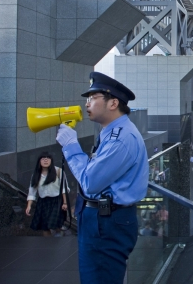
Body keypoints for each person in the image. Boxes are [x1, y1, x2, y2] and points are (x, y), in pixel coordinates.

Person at [55, 72, 148, 284]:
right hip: (102, 218)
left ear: (113, 103)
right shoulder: (111, 133)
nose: (87, 104)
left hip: (106, 222)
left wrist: (71, 146)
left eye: (93, 97)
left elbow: (90, 182)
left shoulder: (120, 139)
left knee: (98, 277)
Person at [26, 152, 69, 236]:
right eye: (43, 158)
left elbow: (64, 189)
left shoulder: (58, 171)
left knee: (55, 224)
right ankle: (49, 244)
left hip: (57, 201)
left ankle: (60, 242)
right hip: (43, 202)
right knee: (44, 226)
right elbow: (32, 191)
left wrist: (65, 203)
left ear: (51, 161)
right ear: (39, 161)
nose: (46, 160)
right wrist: (29, 205)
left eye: (48, 158)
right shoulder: (35, 175)